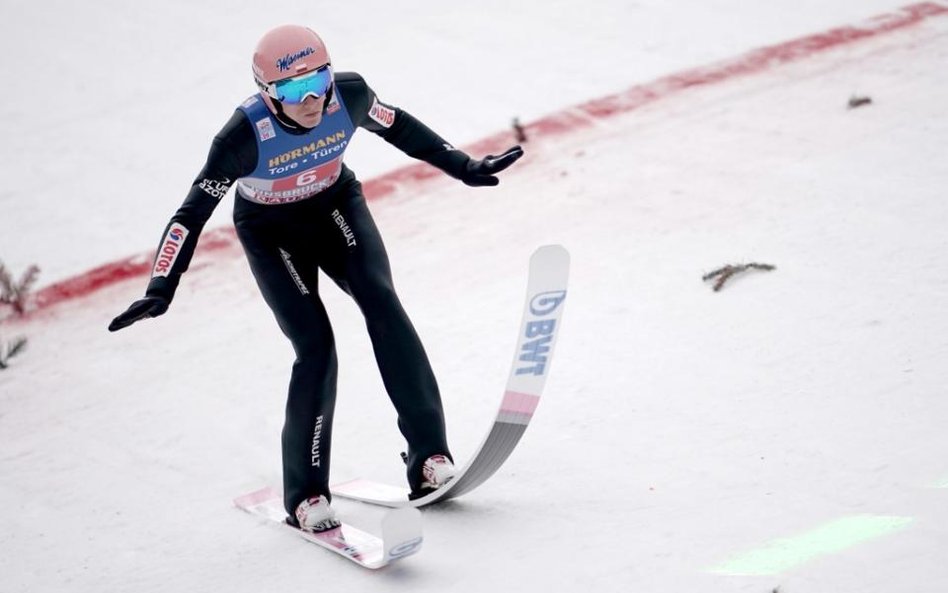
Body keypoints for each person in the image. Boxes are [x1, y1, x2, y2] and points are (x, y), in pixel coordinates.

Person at [108, 24, 523, 532]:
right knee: (316, 347)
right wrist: (161, 284)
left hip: (334, 208)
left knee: (382, 301)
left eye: (317, 81)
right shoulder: (242, 136)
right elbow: (191, 212)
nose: (310, 99)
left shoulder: (347, 96)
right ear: (268, 94)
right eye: (291, 90)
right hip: (270, 232)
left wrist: (462, 166)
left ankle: (430, 459)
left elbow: (400, 127)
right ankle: (305, 495)